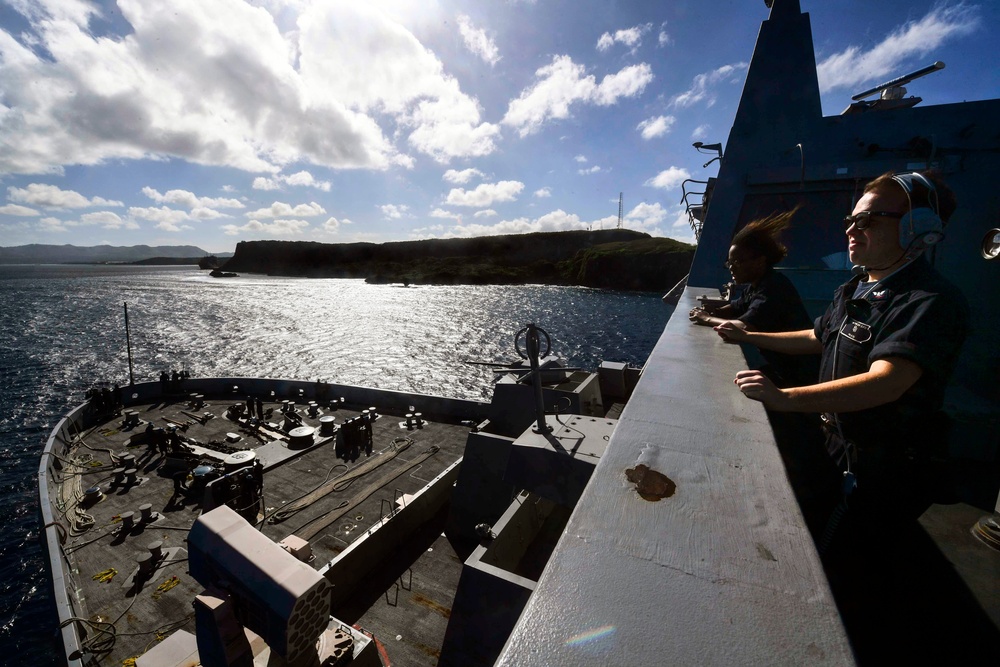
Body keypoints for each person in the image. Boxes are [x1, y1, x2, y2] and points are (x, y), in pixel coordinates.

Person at [689, 208, 817, 388]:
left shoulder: (773, 288)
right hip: (785, 367)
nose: (731, 268)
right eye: (729, 262)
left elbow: (743, 327)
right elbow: (736, 306)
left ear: (759, 261)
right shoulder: (757, 285)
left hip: (801, 375)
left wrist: (706, 318)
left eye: (737, 262)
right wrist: (716, 310)